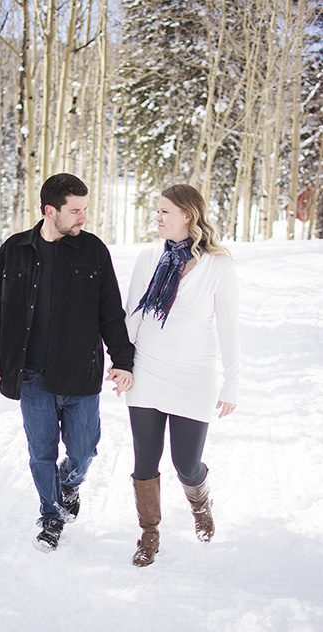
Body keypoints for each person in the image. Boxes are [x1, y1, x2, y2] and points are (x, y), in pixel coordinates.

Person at [0, 173, 135, 552]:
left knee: (84, 450)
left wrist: (123, 361)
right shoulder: (14, 249)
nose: (83, 217)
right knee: (41, 453)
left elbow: (111, 313)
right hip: (31, 376)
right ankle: (50, 516)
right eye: (75, 210)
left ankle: (69, 482)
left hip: (80, 372)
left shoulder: (93, 250)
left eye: (85, 209)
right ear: (51, 211)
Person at [124, 183, 239, 567]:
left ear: (187, 215)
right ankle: (149, 533)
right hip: (148, 372)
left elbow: (229, 327)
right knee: (145, 461)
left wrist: (233, 380)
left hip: (194, 377)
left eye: (164, 212)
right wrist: (123, 364)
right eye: (156, 212)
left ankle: (200, 502)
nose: (156, 218)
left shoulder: (218, 265)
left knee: (185, 463)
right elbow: (134, 315)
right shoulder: (148, 257)